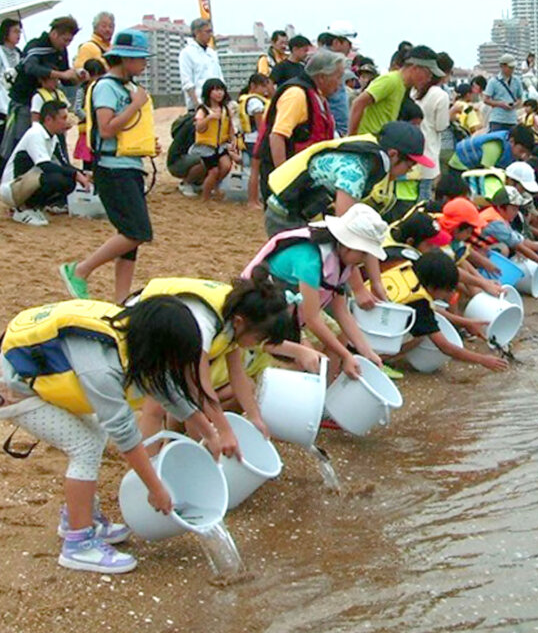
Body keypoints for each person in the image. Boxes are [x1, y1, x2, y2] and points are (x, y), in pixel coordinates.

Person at [0, 296, 222, 574]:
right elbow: (125, 435)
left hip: (44, 373)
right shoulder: (100, 366)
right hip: (13, 389)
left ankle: (77, 518)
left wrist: (209, 432)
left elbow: (165, 388)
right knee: (84, 445)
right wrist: (156, 489)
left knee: (93, 437)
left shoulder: (133, 332)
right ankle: (78, 544)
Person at [132, 273, 302, 446]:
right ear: (239, 322)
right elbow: (199, 384)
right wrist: (224, 431)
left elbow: (237, 374)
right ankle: (147, 467)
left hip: (171, 330)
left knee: (175, 400)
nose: (257, 345)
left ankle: (165, 457)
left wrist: (254, 417)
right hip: (142, 325)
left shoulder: (239, 314)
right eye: (258, 339)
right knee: (156, 404)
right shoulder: (204, 323)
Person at [60, 30, 157, 303]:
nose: (144, 65)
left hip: (129, 165)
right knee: (138, 232)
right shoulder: (106, 86)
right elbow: (106, 129)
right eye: (141, 60)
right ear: (126, 59)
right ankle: (80, 270)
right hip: (113, 168)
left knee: (130, 237)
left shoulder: (125, 86)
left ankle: (121, 299)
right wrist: (136, 105)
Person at [243, 205, 389, 379]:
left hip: (294, 306)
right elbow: (313, 319)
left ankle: (326, 394)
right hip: (267, 309)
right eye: (364, 253)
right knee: (306, 358)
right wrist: (346, 356)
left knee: (338, 335)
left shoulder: (343, 260)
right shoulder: (311, 260)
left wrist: (367, 352)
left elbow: (342, 312)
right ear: (348, 245)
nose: (365, 259)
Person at [263, 120, 429, 237]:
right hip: (285, 215)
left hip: (300, 210)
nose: (407, 172)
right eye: (409, 166)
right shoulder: (356, 170)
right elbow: (344, 225)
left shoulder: (370, 157)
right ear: (393, 154)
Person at [384, 252, 508, 372]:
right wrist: (483, 360)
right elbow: (445, 347)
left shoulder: (410, 269)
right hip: (374, 334)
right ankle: (379, 359)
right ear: (433, 287)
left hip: (373, 315)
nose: (450, 294)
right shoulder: (420, 305)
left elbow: (432, 310)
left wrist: (466, 323)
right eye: (448, 290)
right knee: (419, 337)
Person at [257, 49, 344, 198]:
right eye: (338, 77)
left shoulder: (317, 96)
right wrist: (284, 179)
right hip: (289, 177)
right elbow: (277, 136)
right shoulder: (296, 95)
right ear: (322, 77)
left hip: (306, 176)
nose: (340, 83)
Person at [3, 16, 83, 165]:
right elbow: (31, 68)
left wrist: (77, 77)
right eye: (65, 40)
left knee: (55, 142)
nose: (66, 44)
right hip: (25, 102)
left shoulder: (61, 51)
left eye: (70, 41)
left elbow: (65, 79)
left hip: (48, 103)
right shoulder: (36, 46)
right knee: (23, 141)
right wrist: (59, 75)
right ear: (54, 34)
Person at [0, 100, 88, 225]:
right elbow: (44, 165)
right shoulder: (35, 133)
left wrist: (82, 174)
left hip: (28, 182)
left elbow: (64, 163)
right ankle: (21, 210)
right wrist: (75, 174)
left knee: (68, 181)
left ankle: (34, 207)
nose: (66, 122)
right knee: (55, 178)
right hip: (12, 187)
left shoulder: (53, 137)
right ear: (48, 119)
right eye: (63, 118)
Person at [349, 45, 442, 137]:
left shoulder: (401, 85)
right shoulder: (391, 80)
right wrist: (352, 138)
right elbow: (358, 103)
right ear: (415, 68)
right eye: (428, 73)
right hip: (366, 143)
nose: (429, 79)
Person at [414, 52, 453, 201]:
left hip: (411, 152)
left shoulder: (415, 90)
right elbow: (441, 126)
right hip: (429, 151)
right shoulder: (441, 95)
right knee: (424, 197)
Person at [190, 78, 237, 201]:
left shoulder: (226, 109)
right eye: (215, 90)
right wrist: (209, 118)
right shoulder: (203, 110)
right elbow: (199, 128)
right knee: (214, 171)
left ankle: (214, 186)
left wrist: (233, 140)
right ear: (208, 92)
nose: (219, 93)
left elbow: (230, 127)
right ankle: (205, 197)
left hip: (221, 145)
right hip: (206, 147)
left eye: (221, 89)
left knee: (226, 166)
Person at [237, 72, 274, 207]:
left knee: (255, 170)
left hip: (250, 139)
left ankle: (255, 200)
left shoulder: (248, 99)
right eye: (262, 86)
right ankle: (252, 200)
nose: (265, 90)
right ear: (253, 86)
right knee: (255, 171)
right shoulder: (255, 102)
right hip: (255, 140)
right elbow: (260, 126)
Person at [320, 21, 357, 137]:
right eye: (348, 44)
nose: (350, 49)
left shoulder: (331, 61)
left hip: (335, 128)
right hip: (331, 130)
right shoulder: (326, 62)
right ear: (336, 42)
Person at [177, 18, 222, 111]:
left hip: (216, 105)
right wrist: (197, 105)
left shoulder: (212, 53)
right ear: (197, 32)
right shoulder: (187, 53)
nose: (210, 35)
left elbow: (220, 78)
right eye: (207, 32)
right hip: (199, 105)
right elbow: (187, 82)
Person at [448, 125, 536, 172]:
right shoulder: (495, 146)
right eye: (521, 151)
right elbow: (487, 170)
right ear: (512, 141)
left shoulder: (508, 141)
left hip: (474, 166)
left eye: (526, 154)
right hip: (460, 163)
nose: (522, 156)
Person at [482, 54, 524, 131]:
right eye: (510, 67)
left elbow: (520, 98)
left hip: (512, 119)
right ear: (502, 66)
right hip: (497, 119)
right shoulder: (493, 81)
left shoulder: (517, 81)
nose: (512, 70)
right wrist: (501, 104)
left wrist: (515, 104)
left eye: (513, 68)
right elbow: (485, 99)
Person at [0, 18, 23, 125]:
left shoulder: (19, 53)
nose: (18, 35)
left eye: (19, 31)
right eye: (15, 31)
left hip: (17, 98)